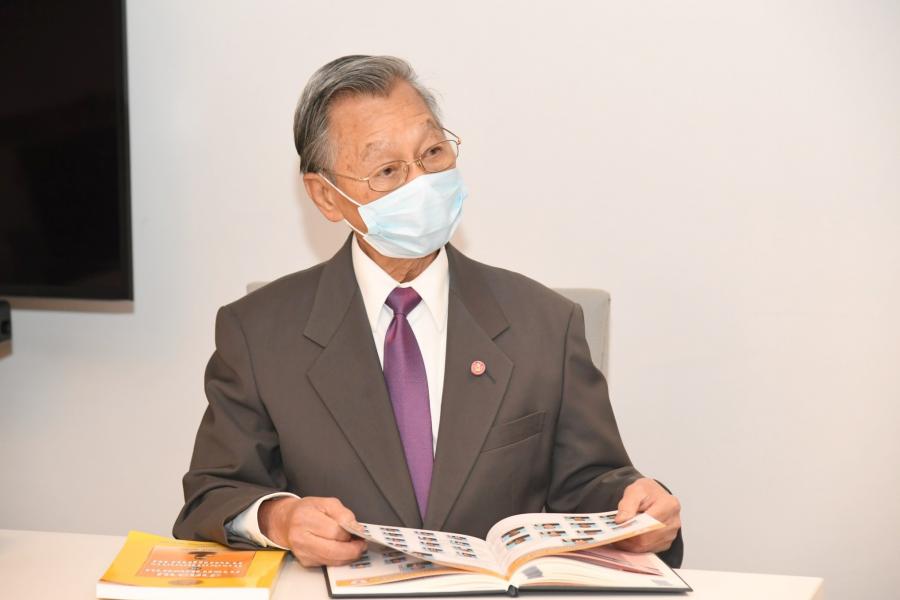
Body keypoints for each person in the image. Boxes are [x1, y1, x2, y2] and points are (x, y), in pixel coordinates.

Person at [173, 55, 683, 569]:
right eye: (387, 170)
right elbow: (213, 496)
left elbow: (593, 485)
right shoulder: (258, 334)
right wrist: (278, 518)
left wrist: (641, 509)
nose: (421, 182)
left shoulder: (546, 323)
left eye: (433, 152)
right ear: (326, 197)